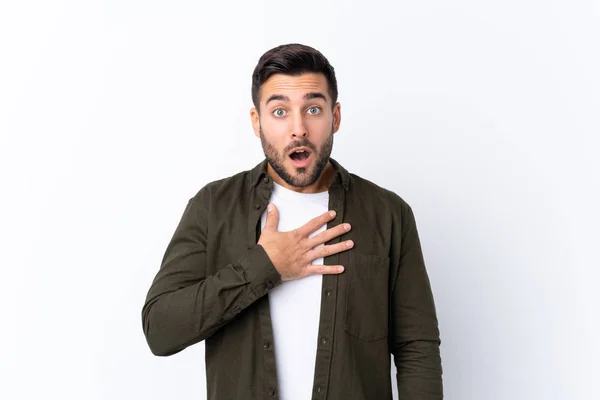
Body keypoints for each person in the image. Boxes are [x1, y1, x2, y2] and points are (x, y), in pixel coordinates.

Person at [142, 43, 443, 400]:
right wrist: (263, 266)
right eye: (280, 111)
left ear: (336, 116)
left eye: (313, 109)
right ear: (257, 122)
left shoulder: (389, 214)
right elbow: (160, 330)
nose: (298, 129)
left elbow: (416, 347)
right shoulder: (213, 207)